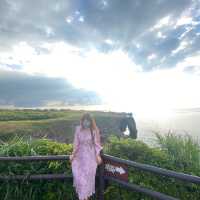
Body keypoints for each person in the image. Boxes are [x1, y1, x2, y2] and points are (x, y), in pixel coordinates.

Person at [69, 113, 103, 200]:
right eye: (85, 120)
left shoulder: (94, 131)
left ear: (91, 122)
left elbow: (97, 144)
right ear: (82, 120)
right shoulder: (78, 129)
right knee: (79, 178)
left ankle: (85, 198)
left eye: (88, 121)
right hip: (80, 156)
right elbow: (76, 144)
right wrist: (73, 154)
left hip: (90, 157)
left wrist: (98, 155)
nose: (86, 122)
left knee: (87, 179)